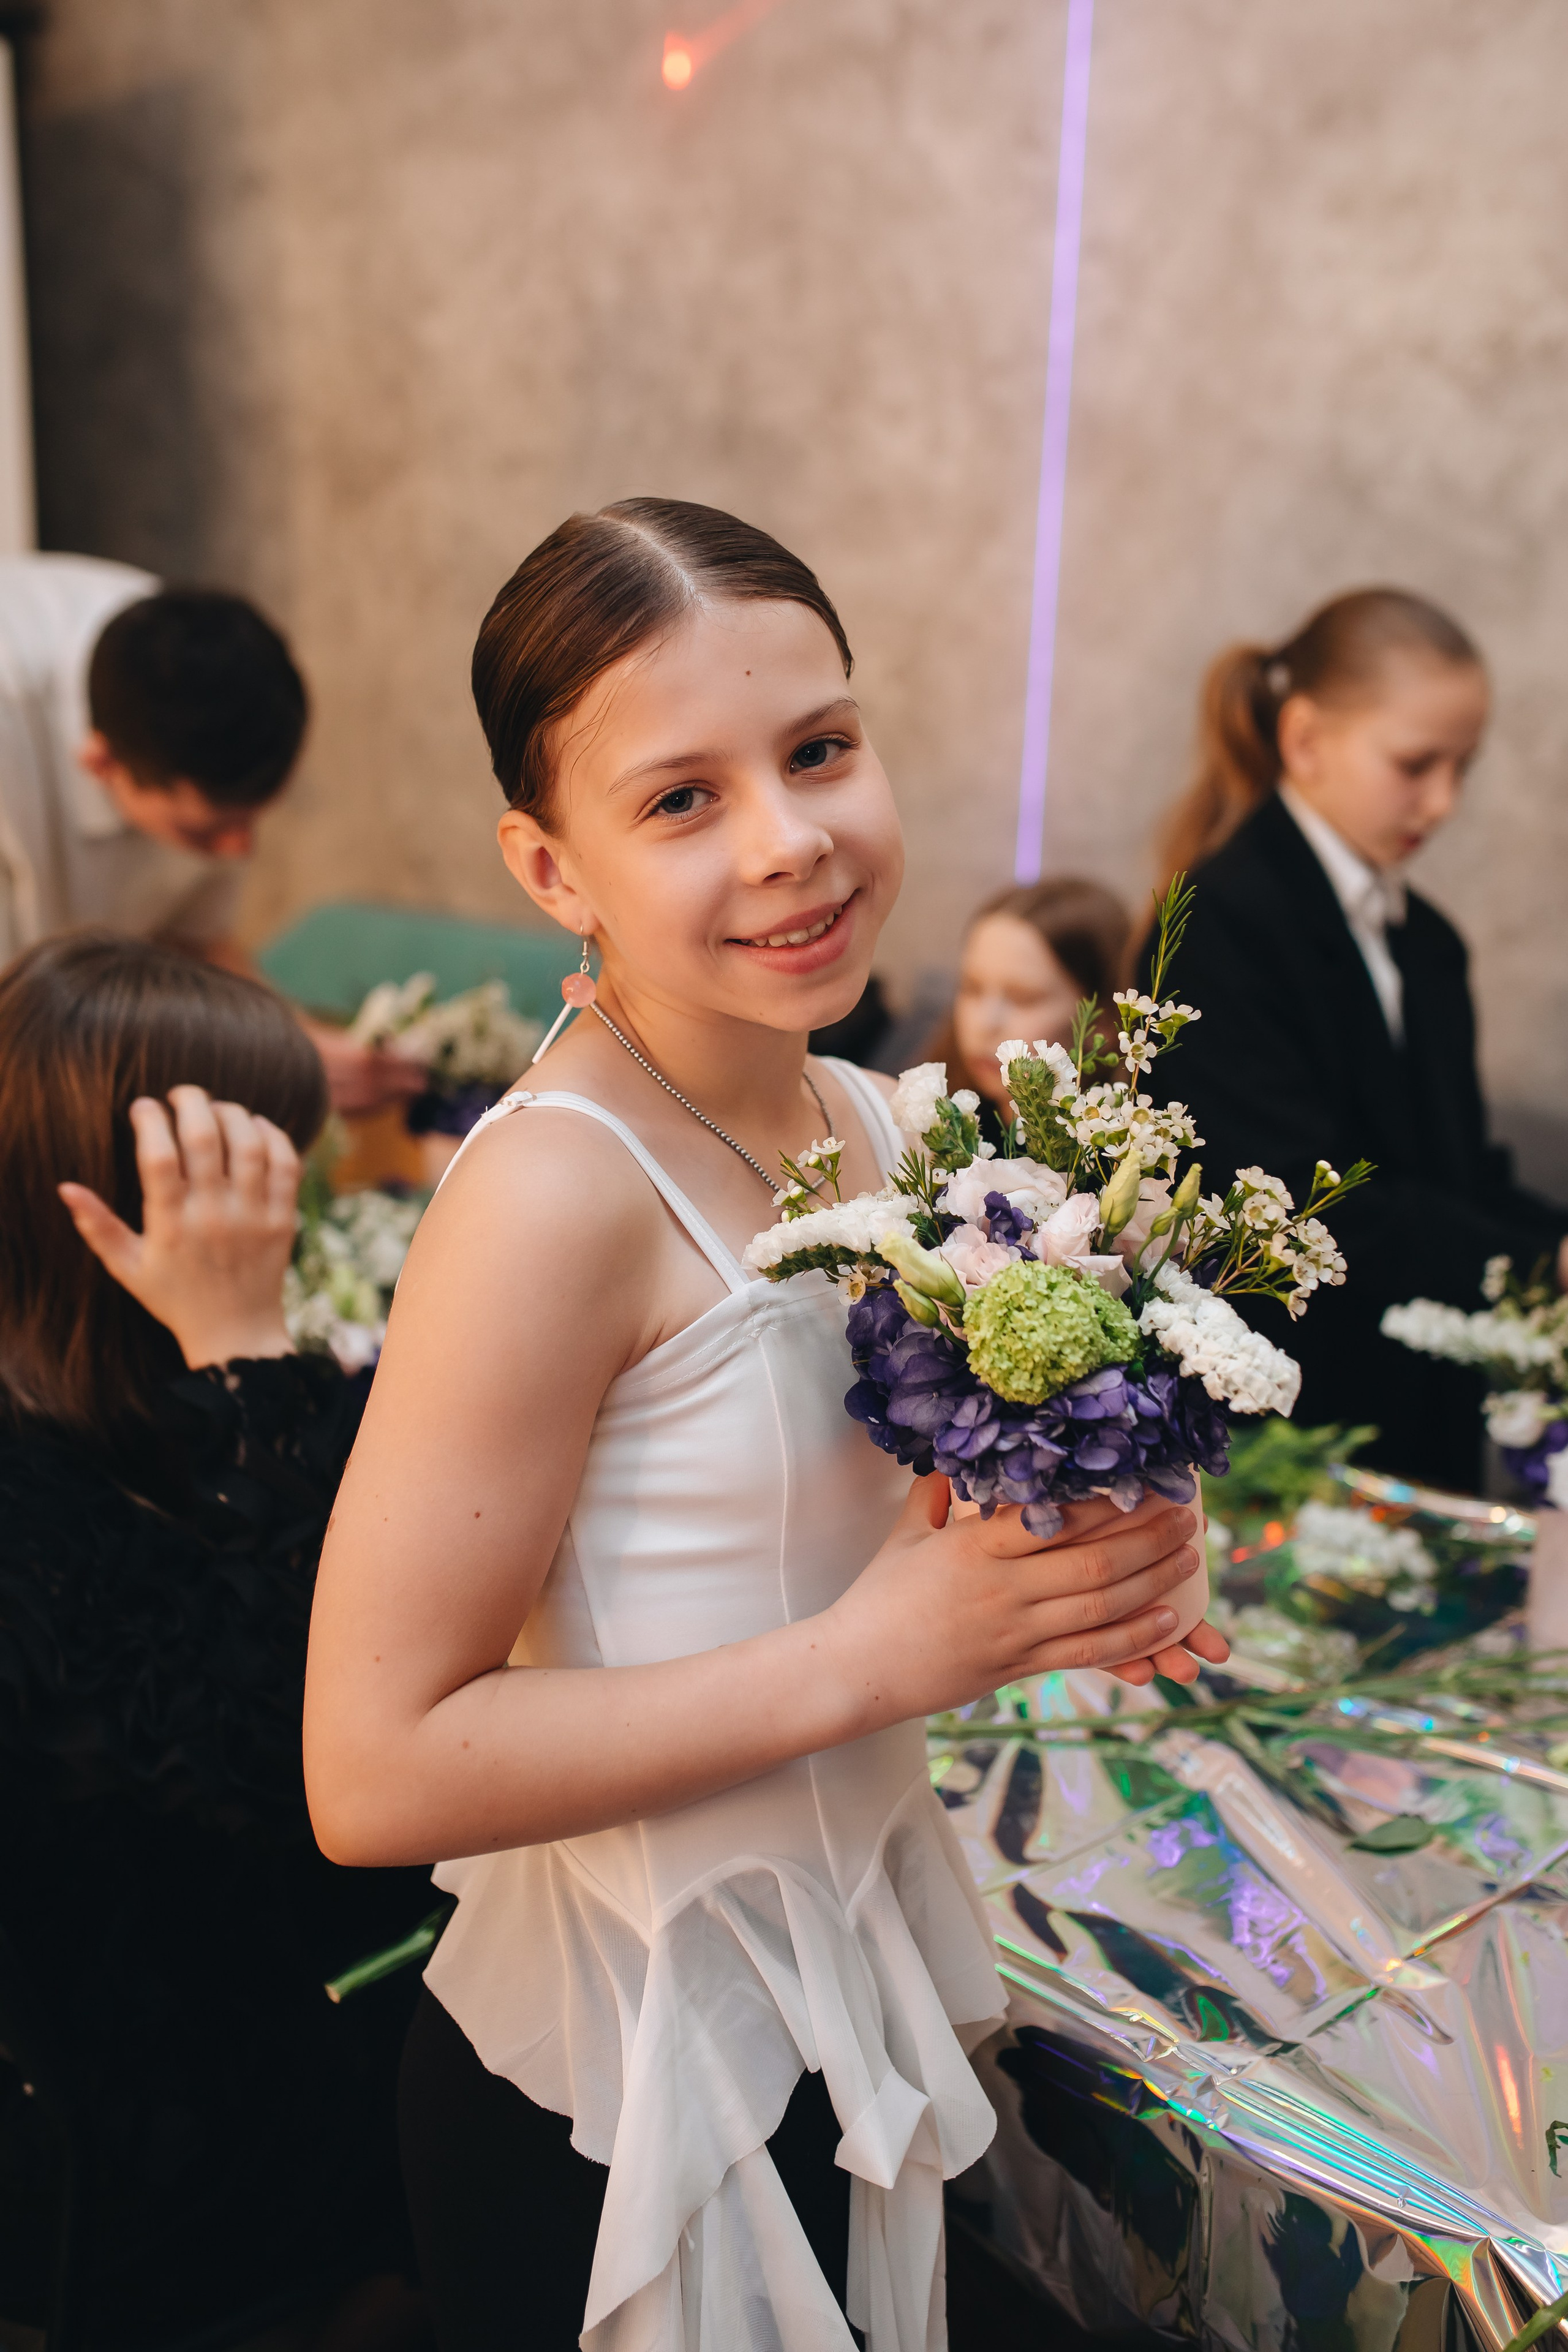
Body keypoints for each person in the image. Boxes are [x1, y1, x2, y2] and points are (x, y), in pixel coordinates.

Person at [301, 497, 1223, 2352]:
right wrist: (869, 1654)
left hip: (842, 1989)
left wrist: (1085, 1543)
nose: (793, 839)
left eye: (817, 749)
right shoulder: (553, 1195)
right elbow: (372, 1769)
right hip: (621, 2085)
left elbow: (854, 1535)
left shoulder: (878, 1126)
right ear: (551, 868)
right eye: (679, 798)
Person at [0, 932, 432, 2347]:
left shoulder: (132, 1414)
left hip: (267, 2055)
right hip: (159, 2184)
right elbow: (289, 1777)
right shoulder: (36, 1488)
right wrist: (242, 1351)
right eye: (272, 1182)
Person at [1141, 586, 1568, 1490]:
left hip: (1425, 1412)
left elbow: (1455, 1174)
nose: (1445, 801)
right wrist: (1538, 1264)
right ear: (1305, 740)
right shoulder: (1222, 925)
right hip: (1292, 1431)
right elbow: (1296, 1204)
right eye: (1417, 765)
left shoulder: (1430, 942)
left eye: (1464, 766)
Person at [0, 552, 421, 1109]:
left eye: (253, 818)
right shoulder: (15, 720)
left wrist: (288, 1040)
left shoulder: (193, 670)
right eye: (208, 832)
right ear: (101, 764)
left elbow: (193, 942)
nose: (240, 849)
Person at [924, 876, 1129, 1143]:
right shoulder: (935, 1133)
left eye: (1023, 998)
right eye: (972, 989)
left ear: (1102, 1023)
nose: (985, 1022)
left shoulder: (1118, 1161)